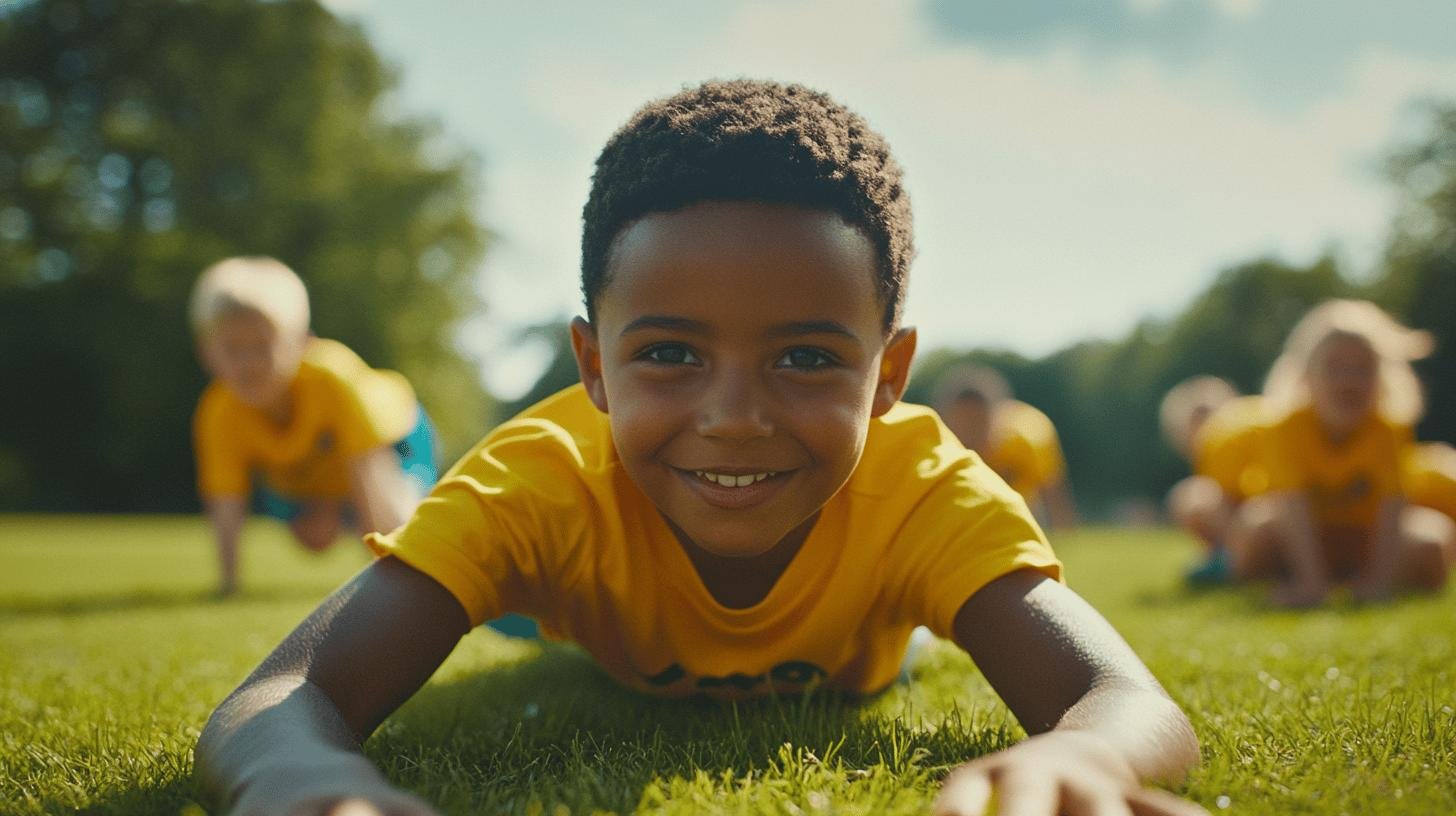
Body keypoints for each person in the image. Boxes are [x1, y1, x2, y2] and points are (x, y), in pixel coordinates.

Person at [196, 79, 1202, 816]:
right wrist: (306, 780)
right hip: (582, 618)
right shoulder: (538, 481)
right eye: (670, 351)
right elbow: (285, 693)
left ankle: (915, 622)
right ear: (591, 367)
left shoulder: (923, 492)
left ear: (888, 379)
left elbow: (1118, 699)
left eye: (806, 357)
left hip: (877, 651)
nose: (733, 416)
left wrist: (1084, 762)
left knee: (926, 634)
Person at [190, 256, 438, 596]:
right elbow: (226, 498)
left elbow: (366, 472)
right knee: (314, 538)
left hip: (395, 440)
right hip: (319, 467)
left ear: (301, 343)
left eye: (262, 346)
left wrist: (386, 576)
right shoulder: (218, 411)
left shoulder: (333, 379)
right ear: (206, 352)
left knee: (399, 526)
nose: (248, 364)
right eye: (232, 349)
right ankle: (338, 512)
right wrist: (228, 584)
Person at [1228, 299, 1454, 607]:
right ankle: (1296, 577)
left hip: (1364, 536)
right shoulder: (1284, 426)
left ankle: (1356, 579)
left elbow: (1392, 509)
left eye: (1363, 368)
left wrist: (1379, 583)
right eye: (1334, 366)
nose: (1349, 380)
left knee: (1434, 540)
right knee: (1253, 530)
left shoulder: (1388, 429)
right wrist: (1313, 583)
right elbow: (1292, 505)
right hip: (1305, 534)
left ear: (1381, 377)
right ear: (1307, 374)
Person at [931, 364, 1079, 529]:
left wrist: (1062, 535)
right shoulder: (933, 448)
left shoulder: (1029, 438)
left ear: (997, 418)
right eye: (963, 425)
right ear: (944, 420)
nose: (971, 434)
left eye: (978, 423)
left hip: (1022, 508)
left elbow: (1052, 491)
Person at [1158, 376, 1271, 585]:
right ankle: (1226, 559)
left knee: (1195, 496)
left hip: (1266, 519)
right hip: (1254, 528)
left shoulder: (1245, 440)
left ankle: (1232, 561)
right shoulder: (1209, 465)